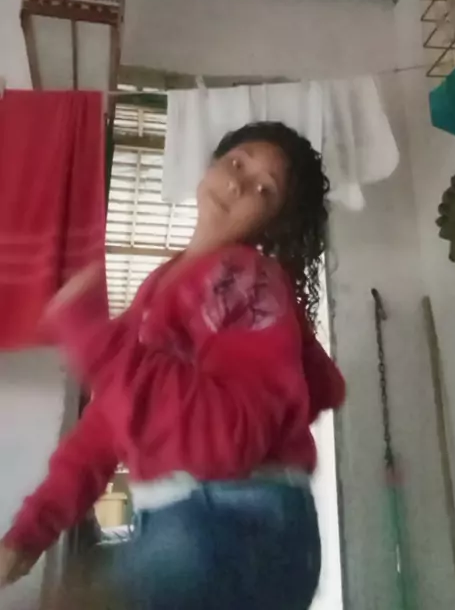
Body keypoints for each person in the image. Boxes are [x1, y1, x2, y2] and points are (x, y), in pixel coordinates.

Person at [0, 121, 346, 610]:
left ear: (270, 223)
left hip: (240, 525)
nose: (238, 183)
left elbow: (228, 437)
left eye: (263, 189)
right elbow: (109, 423)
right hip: (195, 522)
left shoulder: (246, 281)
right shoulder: (161, 287)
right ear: (210, 167)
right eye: (236, 163)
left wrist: (96, 341)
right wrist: (30, 533)